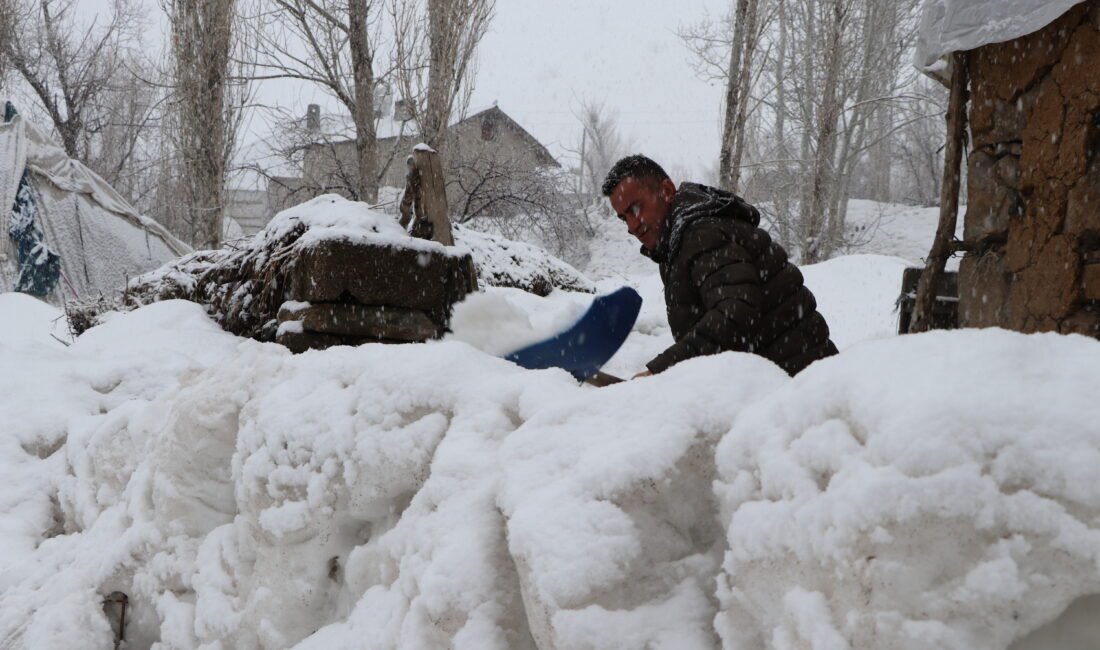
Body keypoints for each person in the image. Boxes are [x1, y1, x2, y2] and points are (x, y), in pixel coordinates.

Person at [601, 154, 838, 378]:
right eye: (624, 218)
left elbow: (735, 311)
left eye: (635, 209)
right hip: (779, 381)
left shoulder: (701, 234)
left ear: (667, 191)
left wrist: (664, 369)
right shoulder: (677, 243)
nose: (632, 226)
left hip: (802, 385)